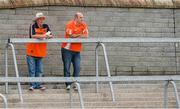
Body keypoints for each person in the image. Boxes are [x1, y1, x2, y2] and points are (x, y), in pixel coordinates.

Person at [61, 12, 88, 90]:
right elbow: (71, 36)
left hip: (77, 50)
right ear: (76, 18)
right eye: (81, 17)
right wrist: (80, 35)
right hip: (67, 49)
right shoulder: (69, 24)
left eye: (82, 17)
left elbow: (86, 36)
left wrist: (77, 35)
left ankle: (75, 83)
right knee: (67, 67)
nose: (82, 19)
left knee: (77, 67)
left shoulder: (84, 25)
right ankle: (68, 84)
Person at [26, 12, 52, 91]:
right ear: (36, 20)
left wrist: (45, 36)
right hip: (31, 52)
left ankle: (38, 85)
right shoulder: (32, 26)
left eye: (42, 19)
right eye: (39, 19)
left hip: (41, 52)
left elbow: (51, 35)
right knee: (32, 70)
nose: (41, 20)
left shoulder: (46, 26)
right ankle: (32, 85)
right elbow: (32, 35)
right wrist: (44, 36)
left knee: (40, 70)